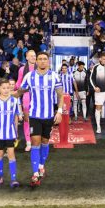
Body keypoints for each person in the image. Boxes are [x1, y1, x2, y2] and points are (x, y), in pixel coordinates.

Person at [14, 52, 64, 187]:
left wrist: (59, 112)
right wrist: (4, 95)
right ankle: (35, 173)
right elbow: (19, 92)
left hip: (49, 116)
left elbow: (60, 95)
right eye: (40, 59)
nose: (42, 61)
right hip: (34, 115)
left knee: (45, 142)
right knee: (35, 143)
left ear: (48, 61)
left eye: (45, 59)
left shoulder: (54, 76)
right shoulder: (29, 76)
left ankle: (41, 165)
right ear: (36, 61)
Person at [0, 78, 20, 188]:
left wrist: (16, 132)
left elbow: (16, 117)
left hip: (10, 134)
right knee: (0, 154)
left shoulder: (14, 101)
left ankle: (13, 179)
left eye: (8, 87)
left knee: (11, 154)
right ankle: (0, 174)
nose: (6, 90)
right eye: (3, 88)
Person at [16, 50, 36, 151]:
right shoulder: (22, 69)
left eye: (34, 56)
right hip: (27, 98)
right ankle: (28, 143)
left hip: (38, 99)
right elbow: (18, 83)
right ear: (27, 57)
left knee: (37, 121)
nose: (33, 57)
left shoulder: (41, 68)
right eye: (31, 56)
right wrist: (11, 90)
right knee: (27, 121)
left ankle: (36, 142)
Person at [90, 52, 105, 134]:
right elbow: (91, 78)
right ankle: (98, 127)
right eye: (103, 59)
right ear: (100, 59)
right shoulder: (96, 67)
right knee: (98, 109)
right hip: (99, 92)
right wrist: (95, 87)